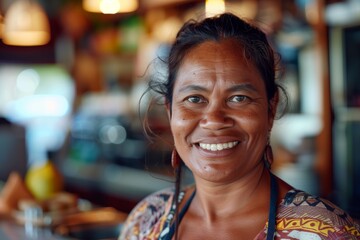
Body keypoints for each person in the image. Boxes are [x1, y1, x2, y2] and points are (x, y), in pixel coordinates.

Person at [119, 13, 360, 240]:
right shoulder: (146, 221)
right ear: (171, 110)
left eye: (238, 98)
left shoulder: (327, 233)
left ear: (271, 108)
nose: (214, 119)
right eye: (194, 99)